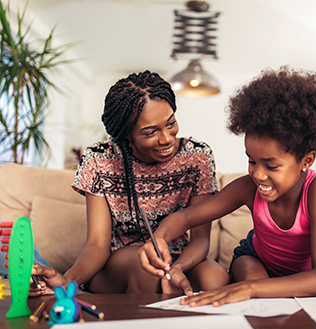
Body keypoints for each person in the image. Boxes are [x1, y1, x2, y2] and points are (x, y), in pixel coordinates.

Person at [139, 66, 316, 306]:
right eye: (251, 160)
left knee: (252, 289)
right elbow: (186, 218)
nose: (257, 174)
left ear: (306, 160)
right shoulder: (248, 188)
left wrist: (249, 289)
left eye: (271, 165)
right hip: (257, 261)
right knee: (250, 276)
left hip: (306, 275)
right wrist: (160, 237)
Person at [29, 70, 229, 295]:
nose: (166, 139)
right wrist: (67, 281)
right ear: (127, 135)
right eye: (150, 132)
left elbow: (201, 239)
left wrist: (177, 268)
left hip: (180, 257)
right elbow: (97, 245)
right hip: (121, 263)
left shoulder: (197, 156)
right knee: (145, 270)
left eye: (170, 123)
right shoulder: (99, 160)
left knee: (215, 278)